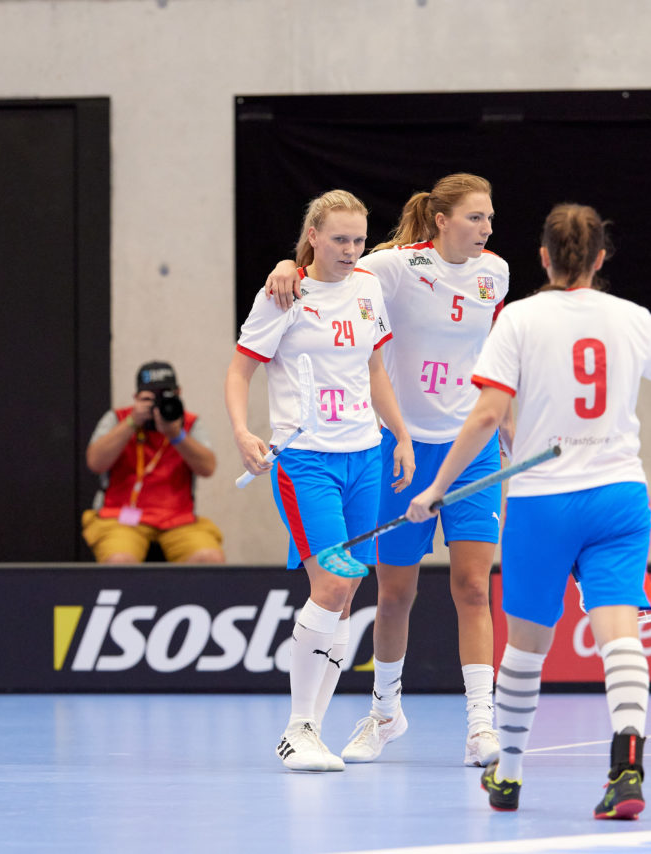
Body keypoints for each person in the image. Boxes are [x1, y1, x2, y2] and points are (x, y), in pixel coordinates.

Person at [405, 203, 651, 818]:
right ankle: (627, 767)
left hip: (544, 503)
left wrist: (437, 487)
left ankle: (510, 776)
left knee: (527, 646)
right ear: (601, 258)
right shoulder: (631, 318)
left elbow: (488, 414)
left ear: (543, 257)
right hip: (620, 498)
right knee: (618, 634)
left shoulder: (519, 318)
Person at [266, 174, 510, 767]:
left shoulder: (494, 273)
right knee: (395, 591)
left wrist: (506, 416)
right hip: (402, 449)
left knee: (474, 587)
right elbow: (330, 269)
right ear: (442, 220)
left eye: (490, 218)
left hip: (470, 444)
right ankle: (384, 712)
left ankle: (481, 723)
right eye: (476, 218)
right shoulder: (395, 267)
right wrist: (286, 265)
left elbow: (493, 351)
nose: (487, 228)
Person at [227, 189, 415, 772]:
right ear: (313, 236)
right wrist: (242, 431)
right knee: (331, 585)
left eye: (359, 239)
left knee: (347, 589)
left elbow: (375, 367)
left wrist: (401, 434)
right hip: (306, 458)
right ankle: (297, 730)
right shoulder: (283, 292)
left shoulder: (366, 287)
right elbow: (241, 369)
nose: (351, 249)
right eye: (339, 239)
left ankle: (315, 730)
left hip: (366, 454)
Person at [82, 361, 225, 563]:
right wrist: (132, 422)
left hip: (178, 518)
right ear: (136, 398)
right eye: (149, 397)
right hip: (121, 517)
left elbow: (208, 468)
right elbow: (95, 463)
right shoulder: (118, 418)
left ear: (178, 393)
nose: (157, 404)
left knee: (209, 558)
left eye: (165, 395)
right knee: (120, 561)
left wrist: (176, 435)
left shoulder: (189, 423)